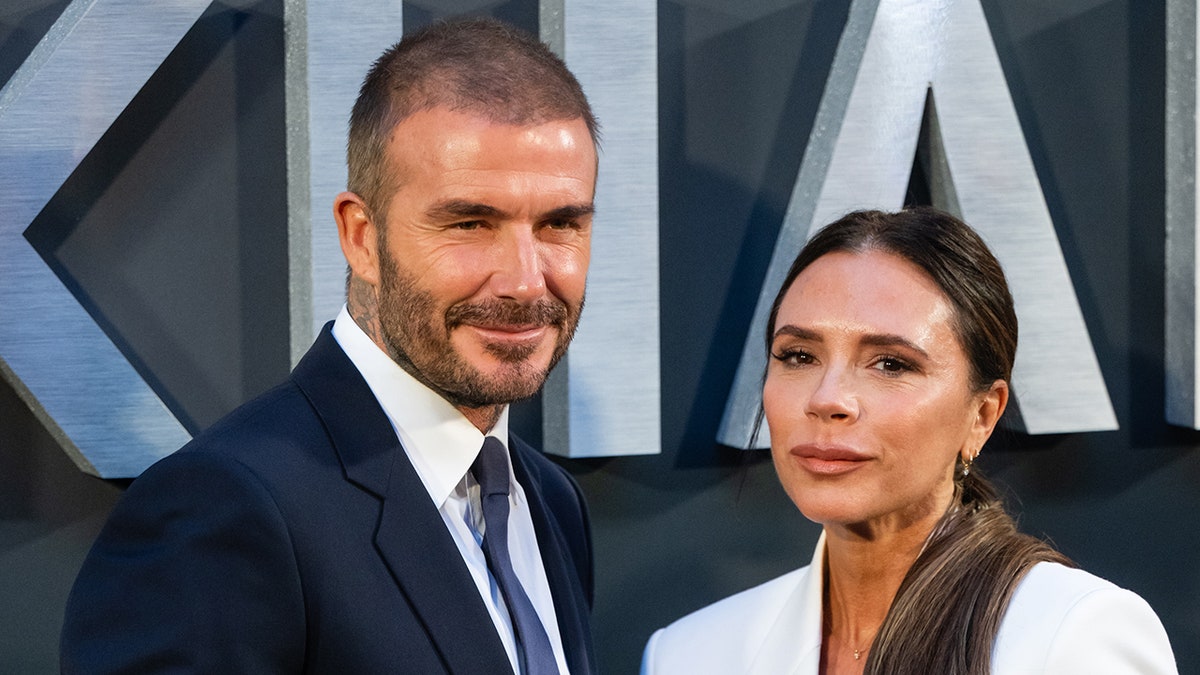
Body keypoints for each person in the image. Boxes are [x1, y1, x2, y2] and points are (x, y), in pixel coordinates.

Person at [61, 17, 599, 674]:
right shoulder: (223, 510)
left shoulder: (548, 500)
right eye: (469, 222)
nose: (523, 279)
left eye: (560, 224)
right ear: (361, 237)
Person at [641, 208, 1177, 674]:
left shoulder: (1073, 637)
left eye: (891, 364)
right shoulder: (689, 654)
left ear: (982, 416)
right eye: (799, 356)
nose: (828, 399)